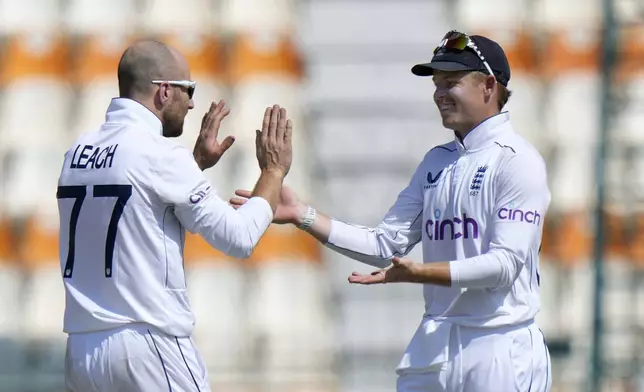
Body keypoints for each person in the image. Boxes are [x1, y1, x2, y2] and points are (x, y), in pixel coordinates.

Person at [231, 30, 552, 392]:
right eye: (436, 84)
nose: (440, 94)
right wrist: (303, 216)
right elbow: (385, 243)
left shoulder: (518, 161)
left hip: (500, 347)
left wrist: (422, 272)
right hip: (436, 343)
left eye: (451, 82)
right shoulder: (437, 162)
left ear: (489, 86)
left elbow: (505, 266)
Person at [57, 40, 293, 391]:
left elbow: (137, 205)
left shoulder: (77, 151)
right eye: (188, 89)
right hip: (149, 346)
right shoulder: (161, 155)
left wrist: (194, 165)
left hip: (83, 352)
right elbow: (239, 238)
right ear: (164, 91)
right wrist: (273, 172)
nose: (193, 101)